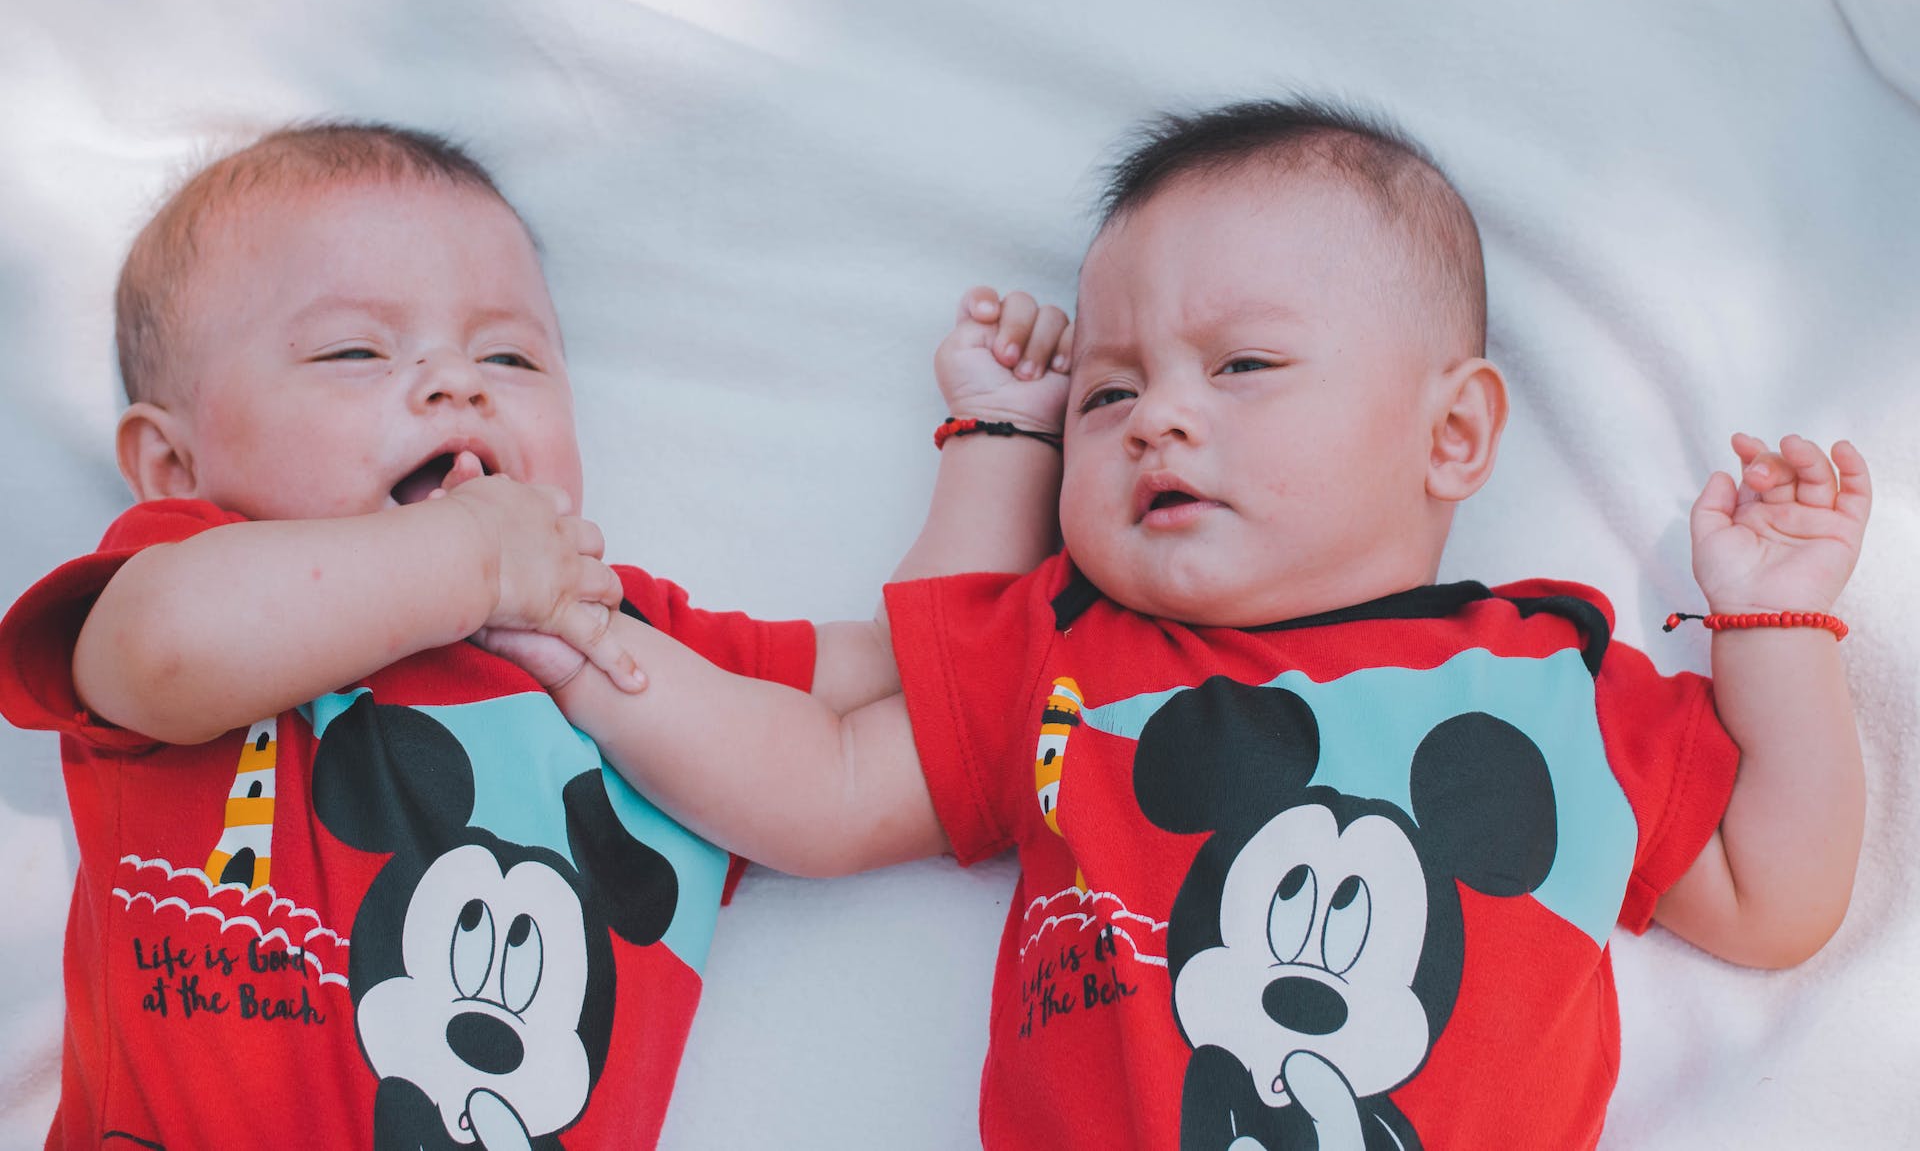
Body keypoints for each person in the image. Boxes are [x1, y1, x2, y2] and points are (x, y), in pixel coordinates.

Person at [495, 99, 1872, 1148]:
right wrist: (599, 661)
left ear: (1452, 431)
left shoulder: (1552, 688)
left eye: (1245, 366)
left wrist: (1775, 622)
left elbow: (1775, 893)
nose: (1159, 413)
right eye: (1107, 393)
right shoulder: (1076, 658)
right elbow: (825, 786)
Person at [0, 120, 1070, 1149]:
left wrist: (1002, 438)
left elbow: (899, 672)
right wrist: (467, 563)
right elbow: (161, 650)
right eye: (353, 350)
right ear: (173, 465)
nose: (455, 381)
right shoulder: (190, 569)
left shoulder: (606, 623)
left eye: (510, 359)